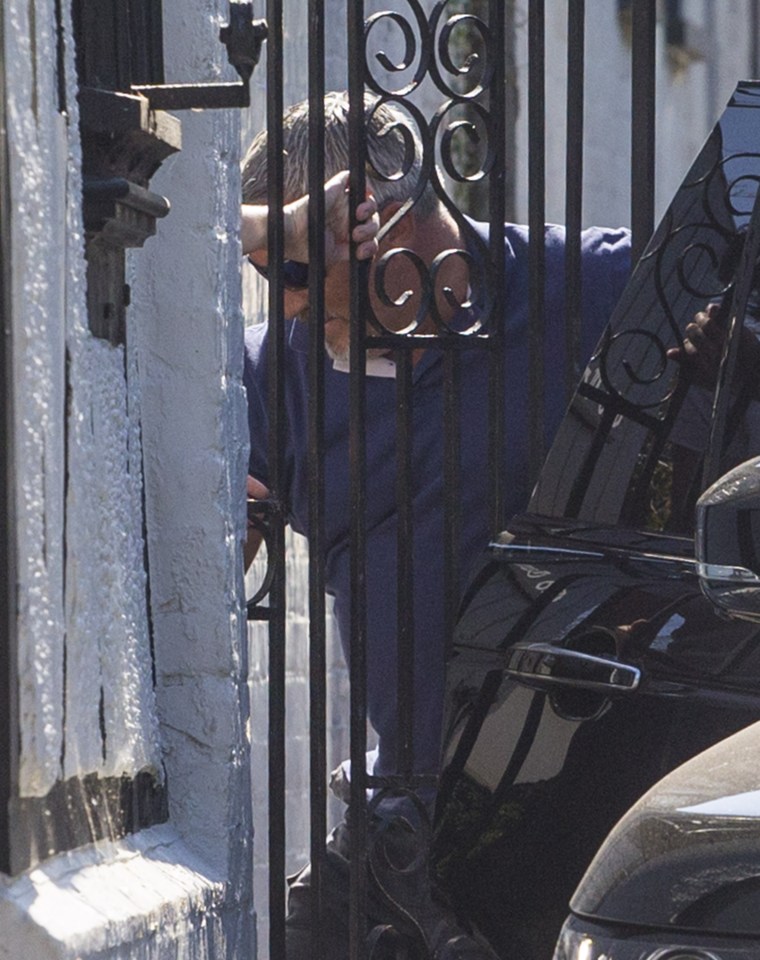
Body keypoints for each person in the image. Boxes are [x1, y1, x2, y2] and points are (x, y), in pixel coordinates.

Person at [241, 91, 631, 958]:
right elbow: (215, 544)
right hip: (411, 829)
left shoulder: (598, 291)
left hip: (600, 814)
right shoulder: (284, 375)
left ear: (377, 223)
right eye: (272, 273)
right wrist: (269, 227)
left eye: (298, 269)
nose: (289, 305)